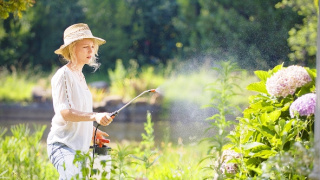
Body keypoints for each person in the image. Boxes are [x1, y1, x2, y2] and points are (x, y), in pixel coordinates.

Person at [47, 23, 113, 179]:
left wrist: (91, 131)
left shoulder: (80, 77)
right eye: (85, 47)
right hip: (63, 146)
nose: (91, 50)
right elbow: (65, 113)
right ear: (72, 48)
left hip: (79, 150)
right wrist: (95, 116)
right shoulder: (63, 75)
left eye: (92, 46)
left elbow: (77, 112)